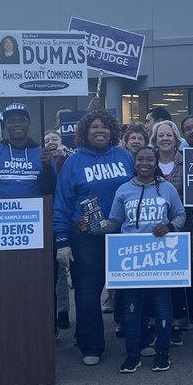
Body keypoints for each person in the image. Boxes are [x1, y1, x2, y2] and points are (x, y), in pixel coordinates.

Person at [54, 110, 134, 366]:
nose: (100, 131)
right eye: (94, 127)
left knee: (130, 290)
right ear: (85, 132)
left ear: (112, 130)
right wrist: (62, 241)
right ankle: (91, 344)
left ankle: (136, 338)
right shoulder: (73, 163)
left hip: (123, 234)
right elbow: (62, 202)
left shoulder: (124, 156)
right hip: (85, 237)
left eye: (105, 127)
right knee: (88, 294)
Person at [103, 146, 186, 374]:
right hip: (131, 258)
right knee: (131, 307)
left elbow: (180, 215)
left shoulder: (167, 188)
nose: (145, 163)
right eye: (140, 159)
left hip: (161, 257)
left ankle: (162, 352)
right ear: (135, 162)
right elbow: (114, 222)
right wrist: (94, 225)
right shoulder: (123, 190)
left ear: (156, 161)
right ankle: (133, 354)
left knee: (162, 305)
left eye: (150, 159)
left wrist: (169, 226)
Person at [151, 120, 193, 342]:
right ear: (155, 141)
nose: (165, 138)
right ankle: (153, 322)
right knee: (153, 278)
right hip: (151, 231)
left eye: (169, 135)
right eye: (161, 136)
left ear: (176, 139)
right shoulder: (149, 162)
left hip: (180, 229)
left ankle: (177, 322)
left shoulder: (187, 162)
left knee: (176, 279)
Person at [0, 102, 58, 200]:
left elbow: (52, 191)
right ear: (5, 125)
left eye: (21, 120)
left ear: (29, 123)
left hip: (34, 213)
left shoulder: (44, 155)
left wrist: (47, 168)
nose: (17, 124)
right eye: (11, 121)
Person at [42, 128, 72, 330]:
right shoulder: (41, 160)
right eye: (47, 140)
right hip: (44, 217)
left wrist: (64, 157)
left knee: (61, 271)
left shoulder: (68, 160)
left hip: (62, 218)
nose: (51, 142)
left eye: (55, 139)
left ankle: (62, 310)